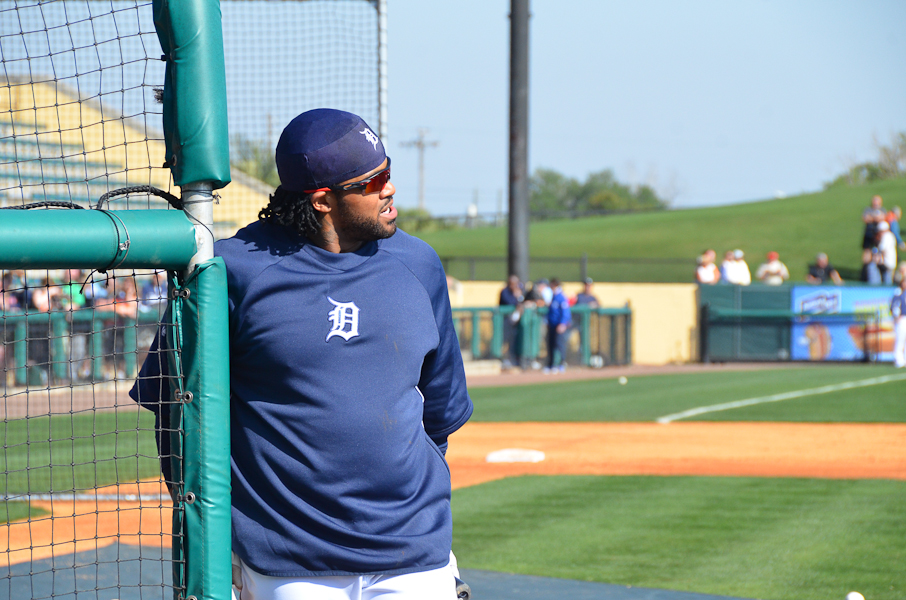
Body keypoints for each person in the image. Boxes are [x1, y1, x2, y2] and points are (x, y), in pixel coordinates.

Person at [130, 109, 473, 599]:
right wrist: (213, 541)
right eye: (374, 181)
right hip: (288, 561)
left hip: (412, 553)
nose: (390, 189)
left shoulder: (419, 264)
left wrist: (420, 515)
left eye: (388, 171)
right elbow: (174, 413)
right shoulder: (231, 271)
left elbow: (440, 413)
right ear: (323, 200)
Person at [543, 278, 571, 373]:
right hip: (552, 325)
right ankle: (550, 364)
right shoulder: (553, 297)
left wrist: (562, 324)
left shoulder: (561, 297)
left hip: (559, 325)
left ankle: (561, 364)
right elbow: (550, 312)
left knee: (559, 345)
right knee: (550, 345)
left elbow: (565, 312)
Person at [499, 274, 525, 369]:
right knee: (504, 341)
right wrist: (516, 297)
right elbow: (509, 302)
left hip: (514, 323)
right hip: (505, 321)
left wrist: (519, 297)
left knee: (513, 341)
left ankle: (514, 359)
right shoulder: (505, 291)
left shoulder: (519, 291)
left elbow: (522, 302)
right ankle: (504, 359)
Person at [890, 277, 906, 368]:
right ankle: (899, 359)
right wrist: (896, 316)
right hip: (902, 318)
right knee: (900, 339)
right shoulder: (898, 293)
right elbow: (895, 305)